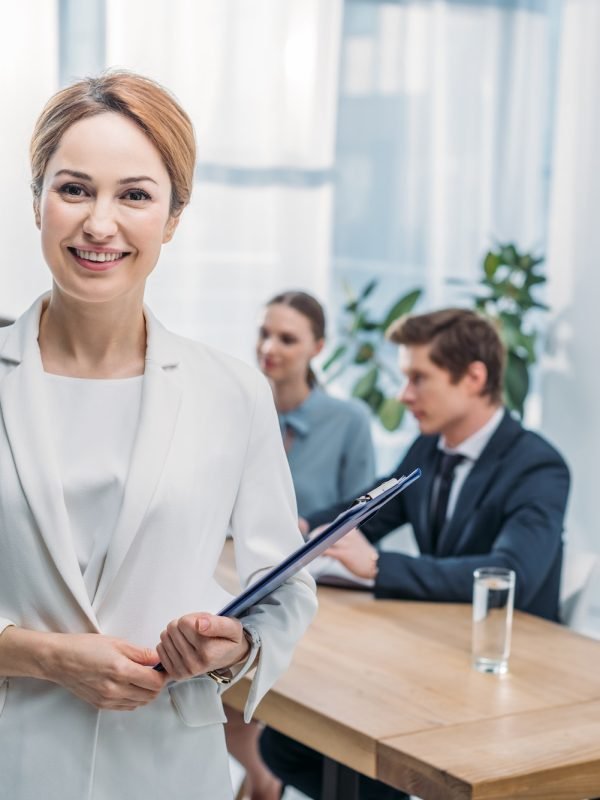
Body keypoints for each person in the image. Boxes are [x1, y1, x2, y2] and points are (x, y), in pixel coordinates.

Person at [0, 71, 317, 800]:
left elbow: (285, 587)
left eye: (134, 195)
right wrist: (44, 655)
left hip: (166, 767)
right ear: (37, 200)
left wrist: (235, 646)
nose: (99, 223)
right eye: (74, 189)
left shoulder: (232, 391)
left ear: (173, 217)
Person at [260, 307, 570, 800]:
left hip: (509, 682)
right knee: (284, 745)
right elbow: (369, 511)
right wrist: (301, 526)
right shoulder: (430, 447)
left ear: (474, 377)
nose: (404, 396)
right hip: (434, 654)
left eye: (418, 379)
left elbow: (509, 574)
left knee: (335, 756)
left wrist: (380, 567)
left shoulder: (538, 466)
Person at [225, 290, 376, 800]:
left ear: (318, 348)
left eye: (287, 338)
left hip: (322, 601)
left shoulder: (348, 420)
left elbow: (365, 517)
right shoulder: (239, 406)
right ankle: (262, 777)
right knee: (217, 679)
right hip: (238, 576)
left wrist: (308, 530)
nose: (269, 346)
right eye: (265, 333)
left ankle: (263, 779)